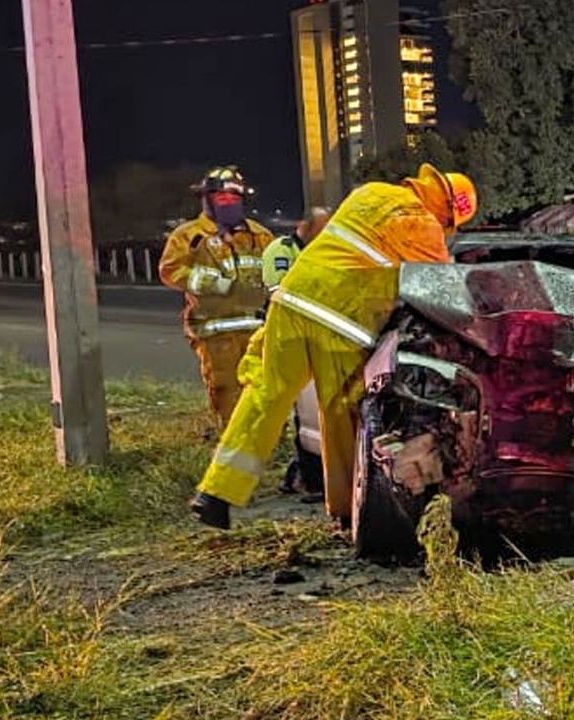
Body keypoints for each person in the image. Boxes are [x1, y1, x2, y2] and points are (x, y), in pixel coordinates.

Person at [189, 164, 478, 529]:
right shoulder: (425, 227)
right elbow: (442, 297)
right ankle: (346, 511)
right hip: (340, 322)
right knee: (342, 415)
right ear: (449, 213)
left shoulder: (370, 193)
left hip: (291, 300)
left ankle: (215, 494)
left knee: (265, 397)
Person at [159, 166, 274, 427]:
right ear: (207, 199)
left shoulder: (260, 235)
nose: (229, 204)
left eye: (235, 199)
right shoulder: (189, 236)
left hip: (258, 329)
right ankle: (235, 446)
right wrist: (219, 284)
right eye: (222, 198)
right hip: (215, 331)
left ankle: (269, 440)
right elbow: (170, 270)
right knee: (227, 391)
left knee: (264, 387)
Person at [261, 206, 331, 497]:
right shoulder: (281, 249)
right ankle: (310, 480)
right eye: (322, 227)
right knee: (302, 411)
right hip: (289, 336)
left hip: (319, 334)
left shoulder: (325, 250)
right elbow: (280, 292)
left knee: (314, 412)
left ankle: (307, 475)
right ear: (305, 225)